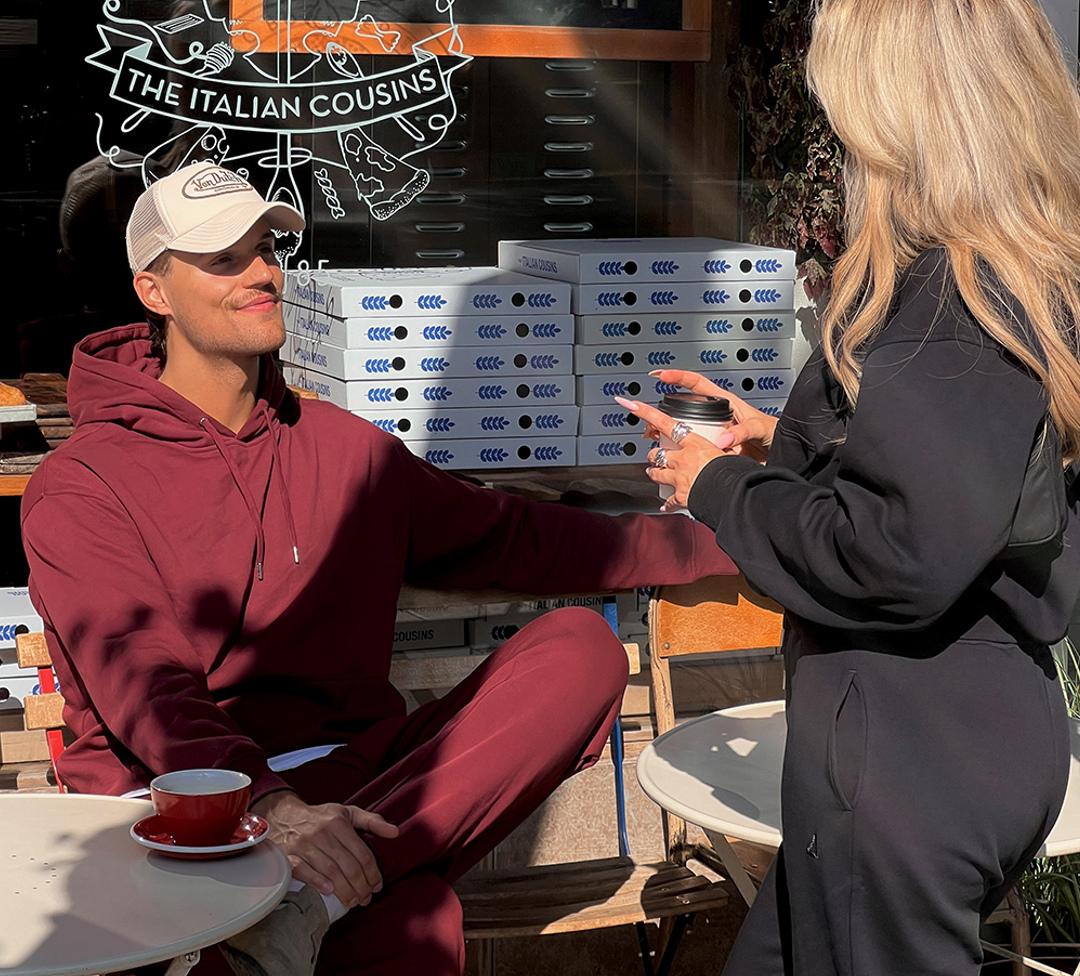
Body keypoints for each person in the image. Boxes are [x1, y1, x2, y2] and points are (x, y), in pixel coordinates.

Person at [20, 160, 736, 976]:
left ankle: (304, 903)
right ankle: (304, 899)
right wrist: (271, 806)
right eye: (222, 259)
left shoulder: (341, 449)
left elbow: (515, 536)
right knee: (417, 921)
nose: (260, 273)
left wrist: (728, 540)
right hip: (183, 817)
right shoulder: (83, 485)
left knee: (579, 650)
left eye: (264, 249)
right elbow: (147, 687)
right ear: (153, 292)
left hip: (360, 787)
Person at [619, 0, 1080, 976]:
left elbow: (897, 556)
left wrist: (719, 486)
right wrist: (784, 439)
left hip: (911, 752)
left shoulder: (955, 307)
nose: (833, 131)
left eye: (845, 99)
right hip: (951, 737)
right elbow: (973, 493)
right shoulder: (1019, 286)